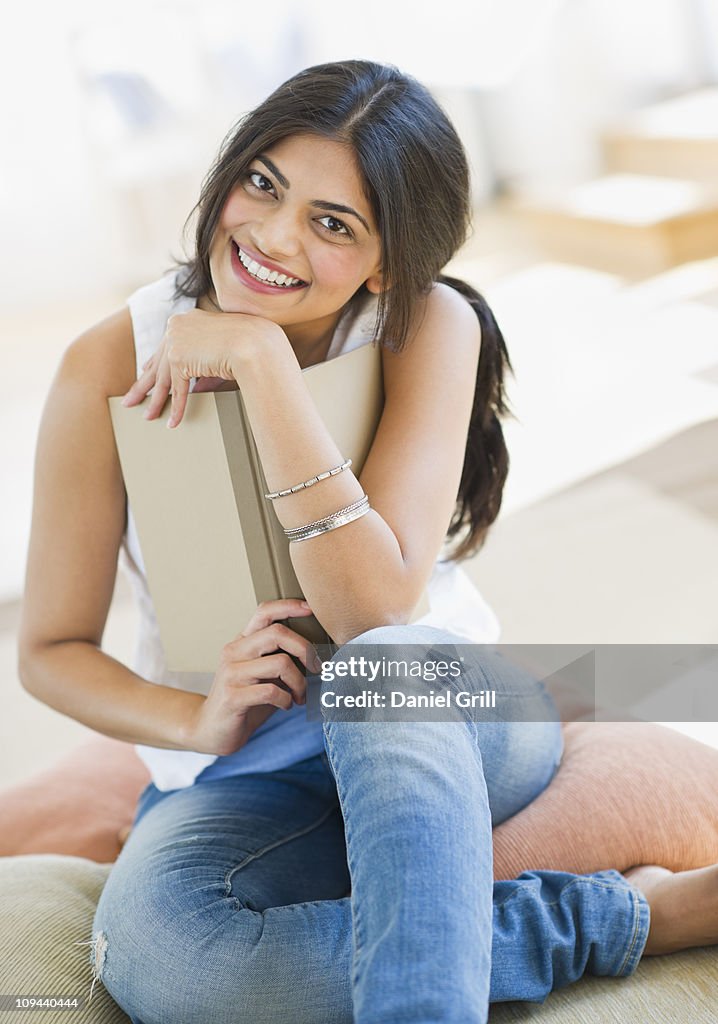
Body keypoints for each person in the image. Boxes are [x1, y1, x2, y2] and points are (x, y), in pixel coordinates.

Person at [18, 60, 718, 1024]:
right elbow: (49, 650)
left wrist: (259, 361)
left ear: (389, 263)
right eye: (262, 184)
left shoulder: (429, 322)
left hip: (442, 711)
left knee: (373, 668)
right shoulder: (107, 359)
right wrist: (197, 722)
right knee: (162, 959)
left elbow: (376, 612)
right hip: (252, 764)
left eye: (332, 223)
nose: (270, 235)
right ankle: (622, 915)